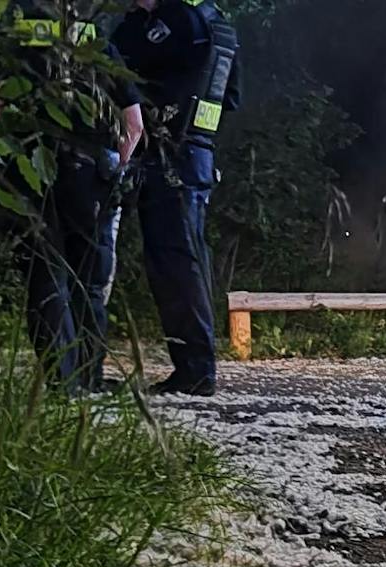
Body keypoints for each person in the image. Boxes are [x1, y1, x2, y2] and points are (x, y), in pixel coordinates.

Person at [0, 2, 143, 395]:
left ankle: (62, 381)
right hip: (91, 176)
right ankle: (89, 377)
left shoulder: (18, 46)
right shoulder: (98, 45)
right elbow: (135, 124)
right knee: (89, 282)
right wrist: (116, 167)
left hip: (32, 171)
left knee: (45, 276)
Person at [111, 0, 239, 397]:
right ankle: (193, 367)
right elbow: (230, 96)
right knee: (178, 260)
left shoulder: (176, 21)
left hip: (173, 154)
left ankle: (197, 370)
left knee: (176, 263)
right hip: (191, 152)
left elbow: (122, 72)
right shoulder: (210, 18)